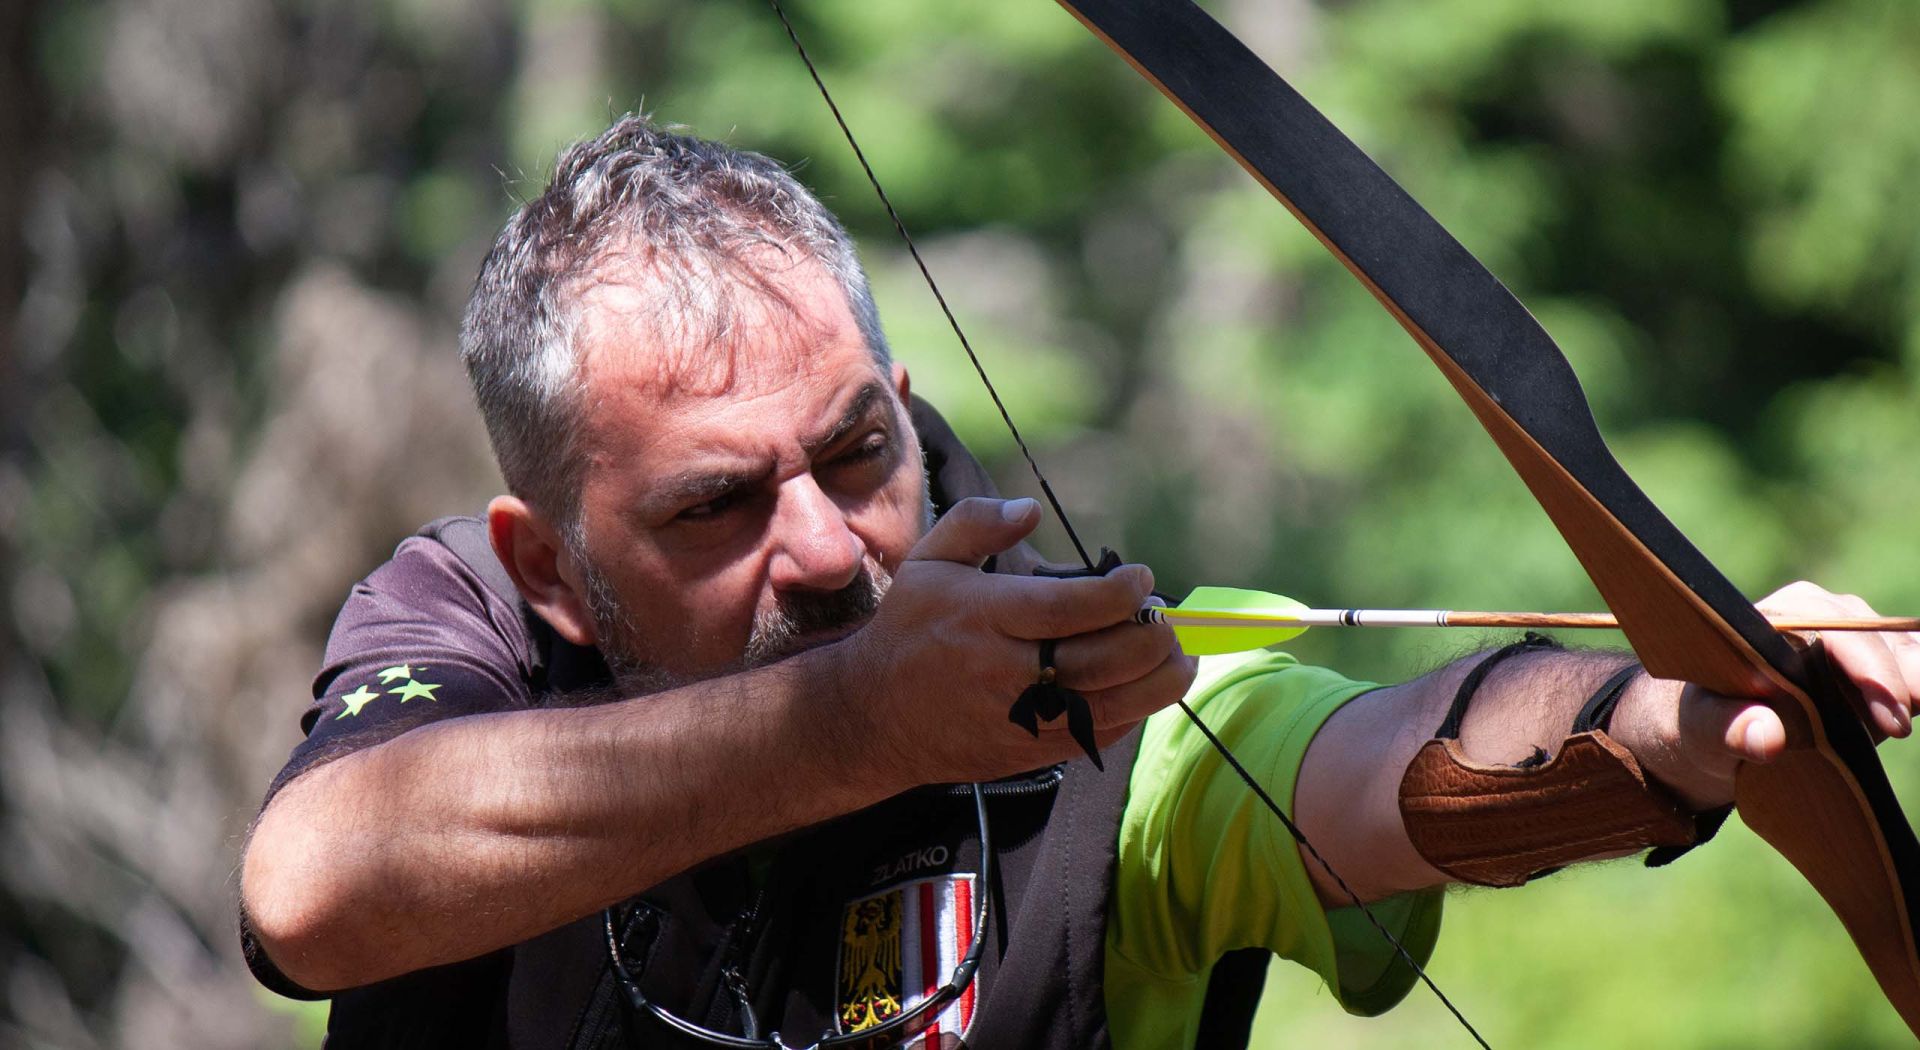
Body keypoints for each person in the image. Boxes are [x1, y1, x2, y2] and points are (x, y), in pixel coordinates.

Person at [238, 116, 1920, 1050]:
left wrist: (1664, 719)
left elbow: (1367, 765)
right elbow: (315, 888)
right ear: (551, 562)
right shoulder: (472, 632)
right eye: (714, 509)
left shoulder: (1068, 685)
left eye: (854, 451)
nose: (822, 548)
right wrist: (854, 724)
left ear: (901, 404)